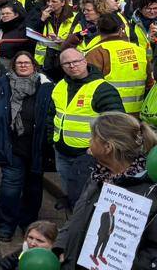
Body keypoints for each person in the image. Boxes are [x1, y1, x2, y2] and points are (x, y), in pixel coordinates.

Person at [54, 113, 157, 269]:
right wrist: (61, 246)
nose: (89, 141)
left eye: (93, 137)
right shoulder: (98, 175)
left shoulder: (148, 190)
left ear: (108, 147)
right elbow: (78, 217)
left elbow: (152, 249)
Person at [0, 51, 52, 241]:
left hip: (36, 147)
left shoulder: (47, 86)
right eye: (19, 63)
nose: (23, 65)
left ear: (34, 65)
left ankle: (28, 224)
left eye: (27, 62)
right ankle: (6, 225)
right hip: (10, 145)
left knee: (33, 189)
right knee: (10, 188)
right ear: (14, 66)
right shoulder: (2, 84)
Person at [48, 47, 122, 211]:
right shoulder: (60, 85)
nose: (72, 66)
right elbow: (52, 115)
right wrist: (51, 139)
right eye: (66, 63)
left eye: (76, 61)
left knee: (86, 200)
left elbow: (116, 122)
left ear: (85, 61)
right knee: (71, 194)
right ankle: (72, 228)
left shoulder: (102, 88)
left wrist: (99, 147)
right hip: (62, 152)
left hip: (88, 155)